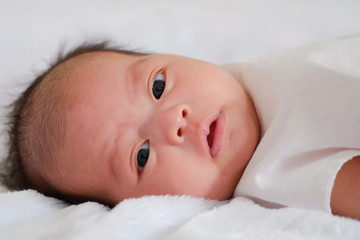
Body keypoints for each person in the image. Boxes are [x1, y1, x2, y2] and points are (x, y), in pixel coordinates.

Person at [1, 36, 359, 220]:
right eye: (141, 156)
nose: (173, 120)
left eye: (158, 87)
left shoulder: (245, 76)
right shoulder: (276, 174)